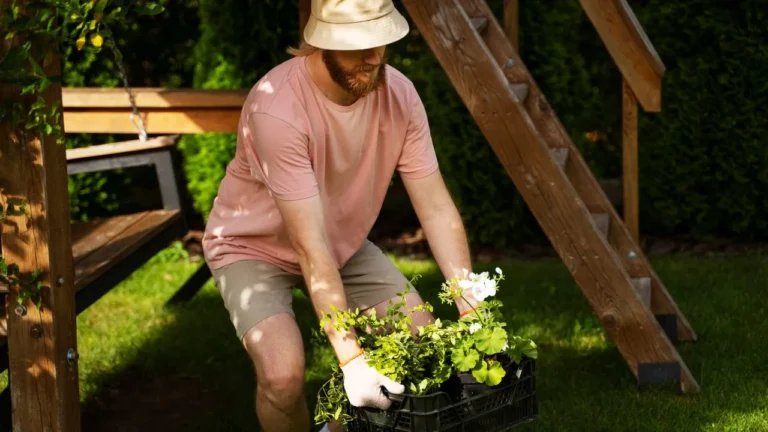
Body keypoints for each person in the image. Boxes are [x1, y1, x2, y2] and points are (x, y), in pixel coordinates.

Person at [201, 0, 479, 430]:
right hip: (251, 247)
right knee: (283, 374)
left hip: (340, 246)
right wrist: (351, 360)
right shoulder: (277, 110)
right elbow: (308, 247)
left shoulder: (400, 95)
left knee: (419, 341)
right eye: (357, 45)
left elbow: (437, 208)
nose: (373, 56)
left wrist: (471, 307)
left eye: (379, 40)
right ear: (321, 44)